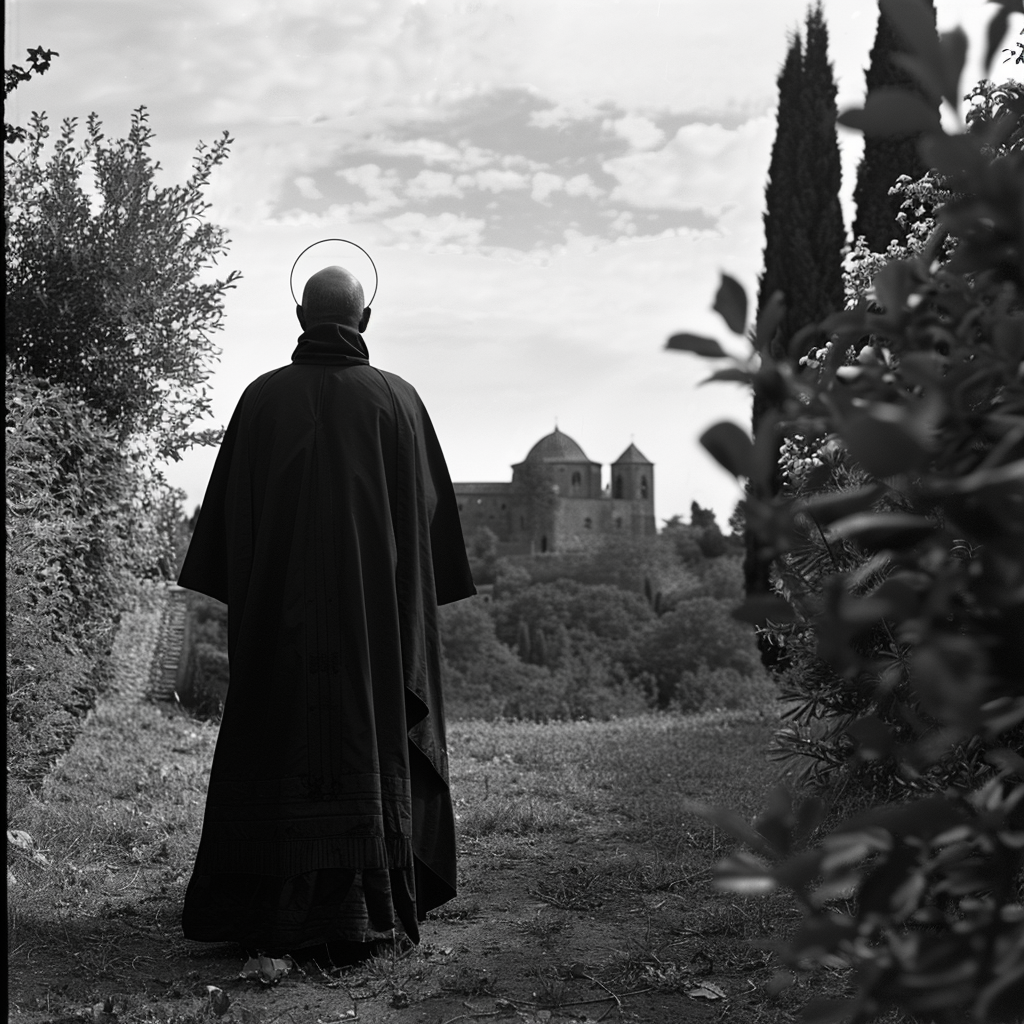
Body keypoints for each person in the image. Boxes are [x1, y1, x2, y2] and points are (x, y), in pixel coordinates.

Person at [177, 264, 475, 962]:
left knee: (275, 742)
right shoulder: (399, 403)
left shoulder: (259, 401)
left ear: (301, 318)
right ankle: (366, 910)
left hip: (281, 631)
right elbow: (426, 535)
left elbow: (227, 530)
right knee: (367, 748)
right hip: (375, 641)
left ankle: (262, 908)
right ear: (364, 320)